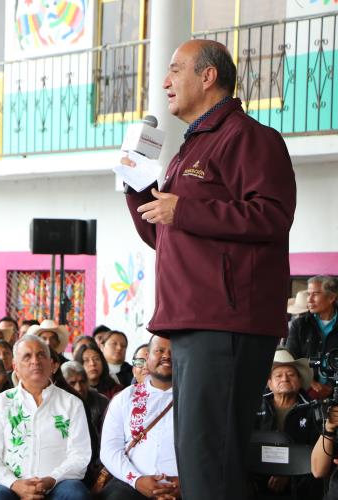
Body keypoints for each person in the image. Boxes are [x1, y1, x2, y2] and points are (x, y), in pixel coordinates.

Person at [122, 39, 296, 499]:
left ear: (208, 76)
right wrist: (138, 191)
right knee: (200, 458)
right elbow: (169, 238)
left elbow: (272, 217)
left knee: (211, 460)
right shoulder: (191, 147)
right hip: (193, 320)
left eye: (175, 70)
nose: (165, 81)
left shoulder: (250, 138)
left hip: (226, 322)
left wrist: (185, 212)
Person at [0, 335, 91, 500]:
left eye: (41, 355)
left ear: (52, 365)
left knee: (75, 493)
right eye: (27, 356)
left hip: (58, 484)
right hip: (8, 485)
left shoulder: (72, 403)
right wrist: (15, 483)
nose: (35, 361)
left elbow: (80, 454)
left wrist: (51, 480)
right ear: (15, 367)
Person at [99, 336, 178, 500]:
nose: (167, 356)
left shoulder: (196, 399)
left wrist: (187, 484)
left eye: (173, 351)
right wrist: (137, 480)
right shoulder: (125, 398)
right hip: (131, 486)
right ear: (147, 358)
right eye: (160, 350)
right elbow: (109, 450)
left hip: (184, 487)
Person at [253, 349, 322, 498]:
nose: (285, 379)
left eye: (291, 374)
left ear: (300, 381)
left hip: (301, 484)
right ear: (269, 384)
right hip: (258, 482)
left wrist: (289, 473)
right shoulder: (254, 407)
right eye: (278, 375)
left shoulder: (313, 409)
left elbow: (317, 451)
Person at [286, 275, 338, 398]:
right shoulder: (299, 325)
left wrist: (331, 387)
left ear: (331, 297)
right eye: (308, 294)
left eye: (315, 294)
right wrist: (310, 382)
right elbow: (291, 359)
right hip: (305, 392)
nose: (309, 300)